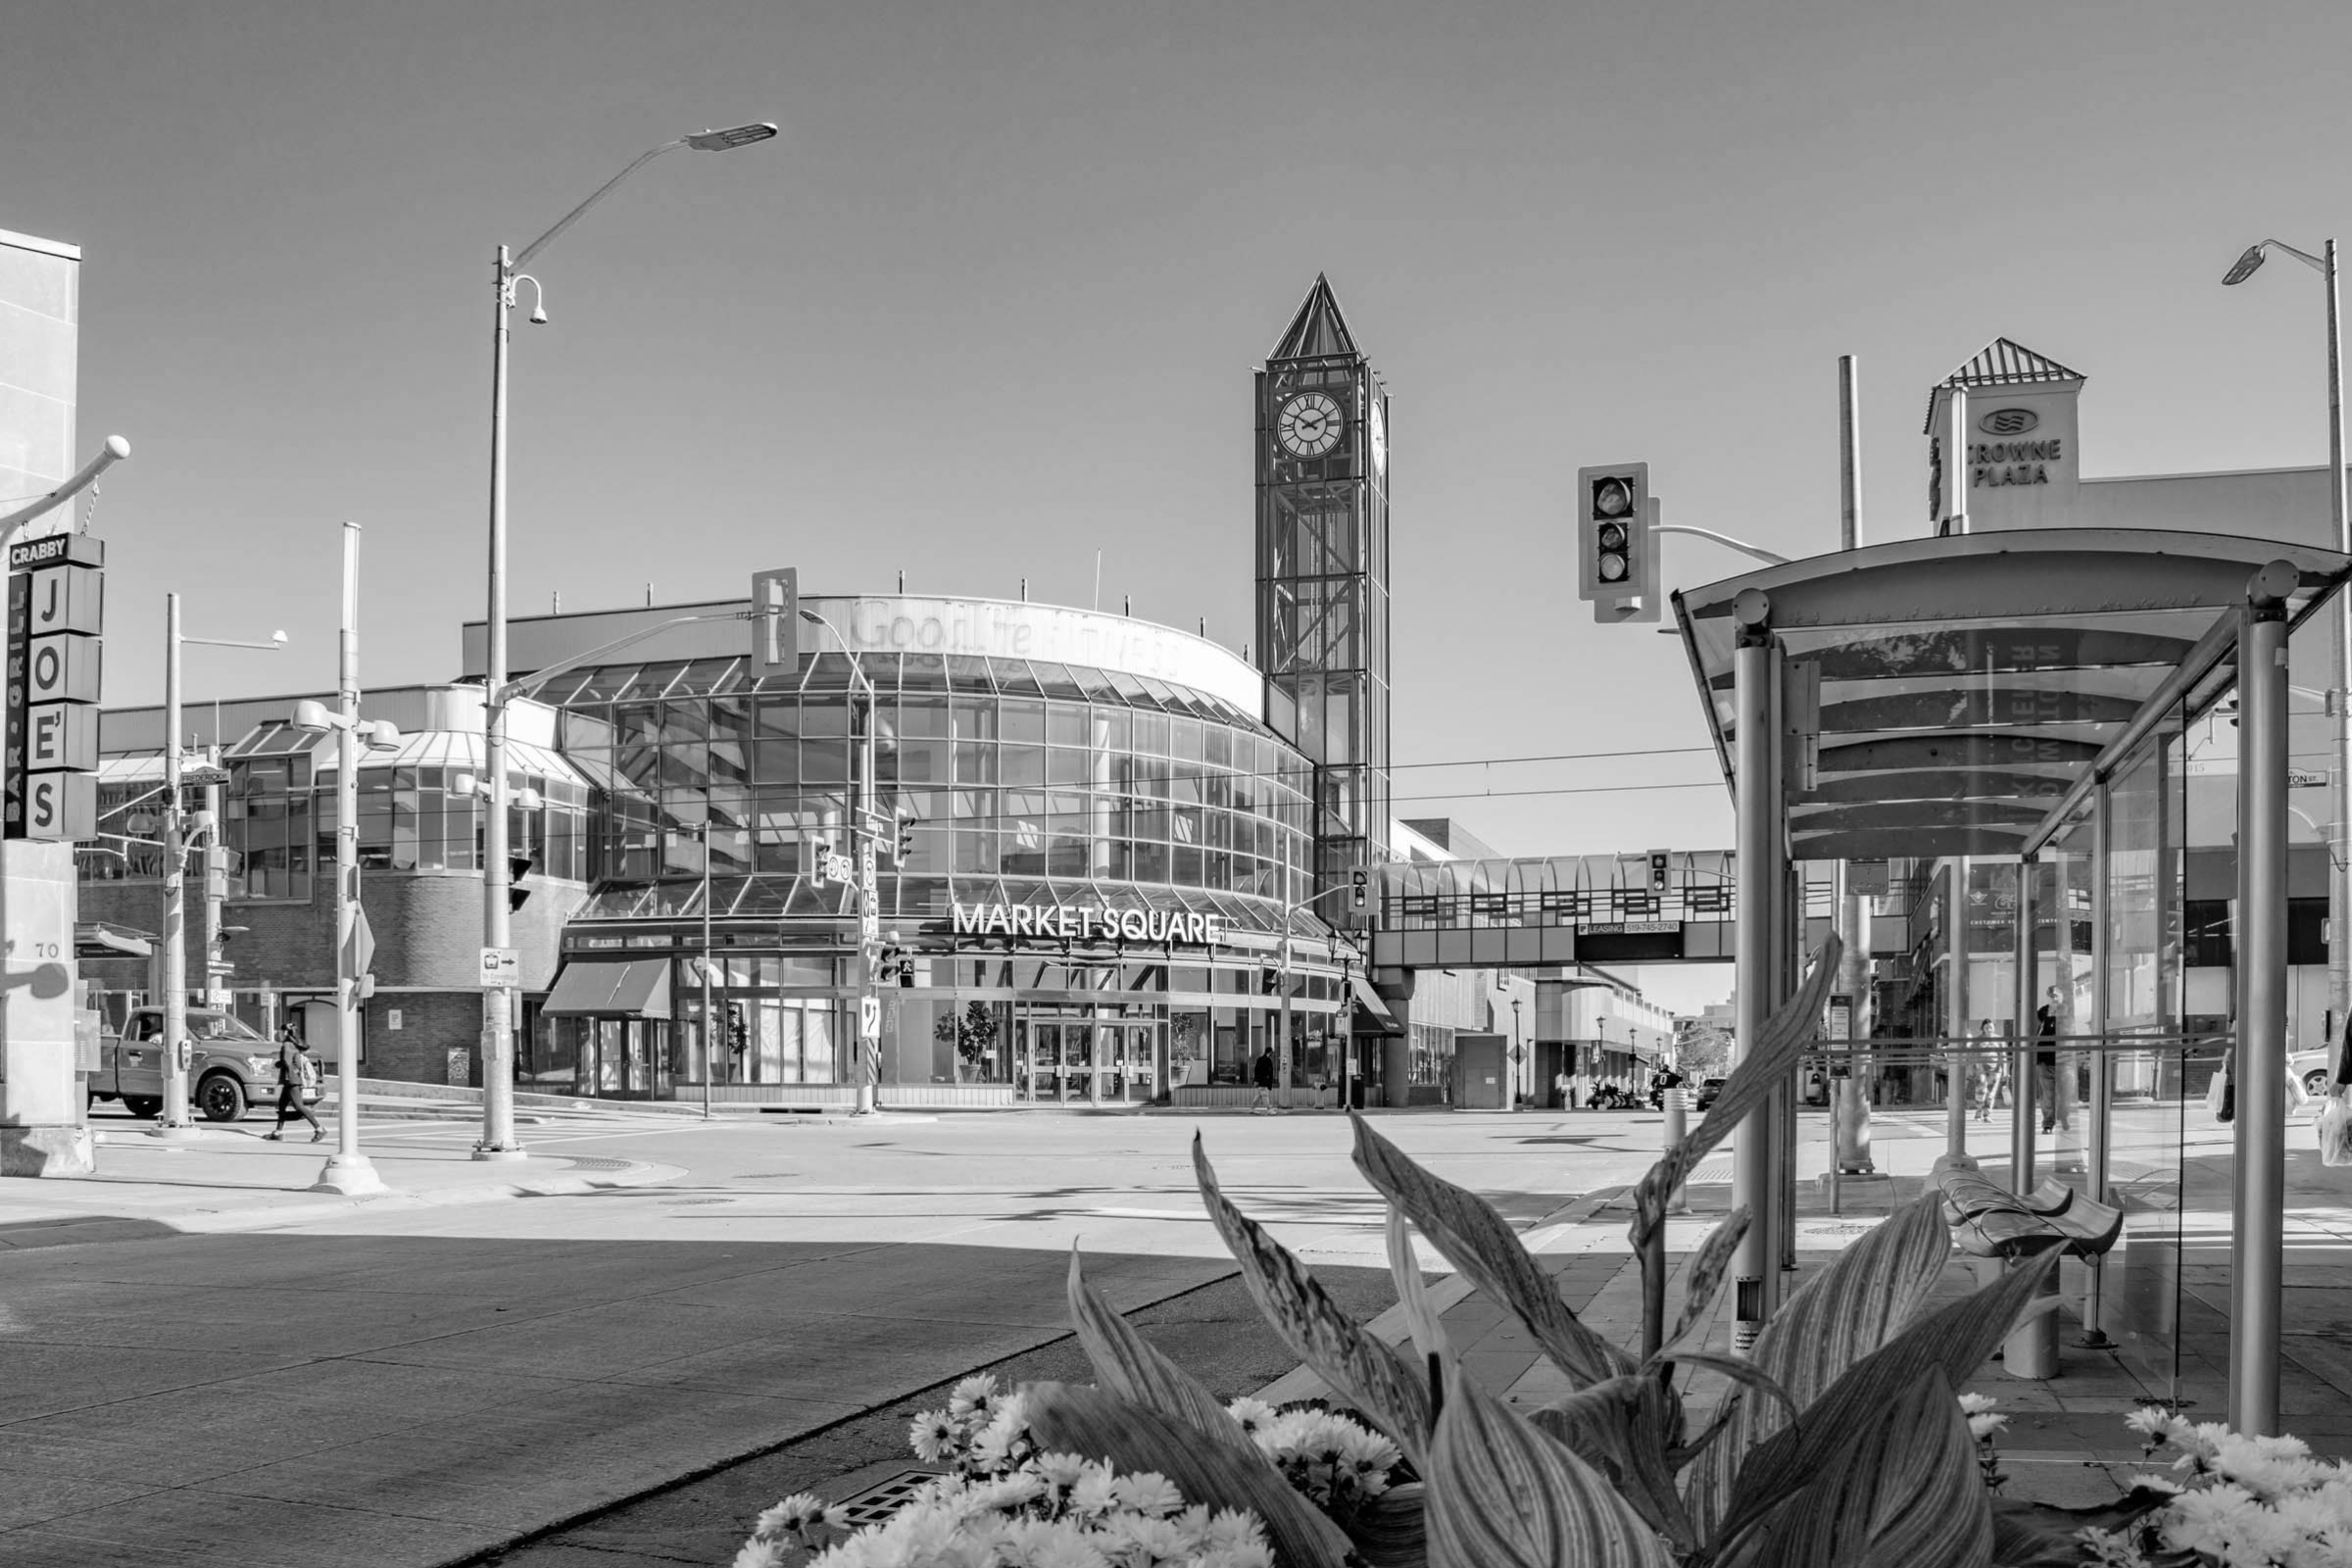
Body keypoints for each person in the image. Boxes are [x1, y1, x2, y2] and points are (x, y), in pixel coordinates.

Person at [266, 1023, 323, 1143]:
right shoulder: (295, 1045)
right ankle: (278, 1132)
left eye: (280, 1032)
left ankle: (319, 1129)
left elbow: (287, 1062)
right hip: (293, 1079)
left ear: (285, 1032)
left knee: (299, 1106)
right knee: (282, 1105)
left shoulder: (286, 1045)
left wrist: (278, 1064)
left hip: (291, 1080)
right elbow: (294, 1062)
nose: (278, 1033)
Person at [2034, 986, 2063, 1134]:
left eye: (2056, 994)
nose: (2054, 997)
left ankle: (2062, 1120)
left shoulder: (2067, 1011)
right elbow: (2033, 1029)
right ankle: (2048, 1123)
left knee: (2064, 1092)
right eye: (2051, 995)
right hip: (2045, 1057)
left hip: (2063, 1058)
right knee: (2048, 1093)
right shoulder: (2043, 1011)